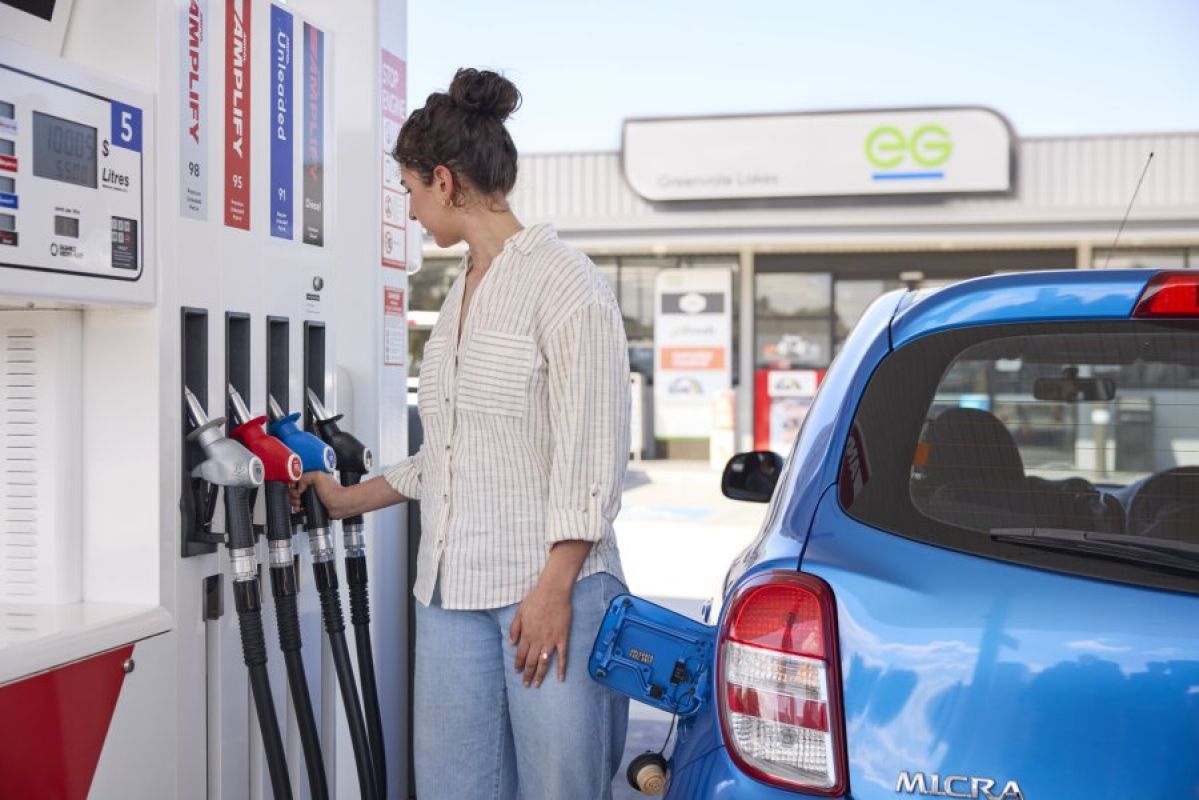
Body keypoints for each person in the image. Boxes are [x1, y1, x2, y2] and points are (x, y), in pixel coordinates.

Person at [291, 68, 631, 800]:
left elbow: (592, 453)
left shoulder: (565, 284)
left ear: (443, 181)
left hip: (546, 589)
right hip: (448, 593)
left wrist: (554, 587)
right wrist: (347, 499)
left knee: (558, 789)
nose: (410, 212)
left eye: (410, 191)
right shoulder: (461, 289)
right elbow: (448, 453)